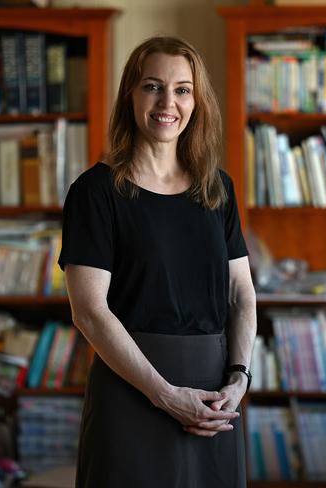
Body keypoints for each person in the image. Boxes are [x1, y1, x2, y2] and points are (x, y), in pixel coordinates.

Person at [58, 35, 257, 488]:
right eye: (153, 86)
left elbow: (242, 296)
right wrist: (165, 396)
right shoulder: (95, 192)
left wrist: (239, 379)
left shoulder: (216, 189)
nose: (168, 101)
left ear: (197, 101)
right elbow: (89, 311)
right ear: (131, 94)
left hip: (214, 402)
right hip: (132, 392)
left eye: (182, 89)